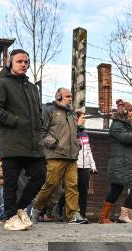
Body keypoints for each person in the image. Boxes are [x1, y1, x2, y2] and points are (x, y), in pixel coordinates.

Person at [0, 49, 46, 231]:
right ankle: (11, 217)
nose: (23, 64)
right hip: (12, 141)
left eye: (26, 62)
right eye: (19, 61)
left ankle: (20, 208)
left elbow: (38, 112)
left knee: (40, 175)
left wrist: (39, 126)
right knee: (10, 183)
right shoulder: (1, 84)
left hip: (32, 142)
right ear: (10, 63)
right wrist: (15, 121)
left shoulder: (32, 87)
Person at [30, 88, 87, 224]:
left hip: (71, 156)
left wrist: (77, 143)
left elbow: (75, 133)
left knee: (72, 186)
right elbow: (41, 132)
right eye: (67, 96)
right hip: (55, 155)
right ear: (58, 97)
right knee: (51, 185)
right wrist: (54, 143)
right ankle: (36, 209)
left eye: (70, 96)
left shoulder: (72, 114)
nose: (70, 98)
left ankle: (73, 214)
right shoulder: (49, 111)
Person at [98, 100, 132, 224]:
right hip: (121, 164)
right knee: (116, 190)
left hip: (129, 162)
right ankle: (103, 216)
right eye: (131, 111)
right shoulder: (116, 125)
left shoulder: (127, 124)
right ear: (126, 112)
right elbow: (127, 138)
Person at [76, 111, 98, 218]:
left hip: (85, 167)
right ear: (76, 119)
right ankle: (60, 208)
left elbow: (88, 151)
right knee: (72, 190)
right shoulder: (72, 132)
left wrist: (93, 166)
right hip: (75, 166)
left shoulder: (84, 134)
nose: (84, 120)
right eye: (82, 118)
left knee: (84, 191)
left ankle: (83, 215)